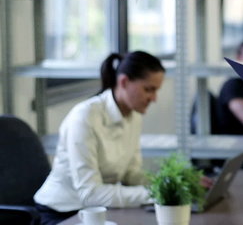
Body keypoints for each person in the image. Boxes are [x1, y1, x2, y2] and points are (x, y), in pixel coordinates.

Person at [34, 51, 166, 225]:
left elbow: (130, 174)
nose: (154, 98)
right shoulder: (85, 117)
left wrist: (168, 185)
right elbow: (90, 193)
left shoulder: (133, 116)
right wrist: (153, 193)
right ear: (124, 82)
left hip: (98, 211)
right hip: (62, 213)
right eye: (148, 89)